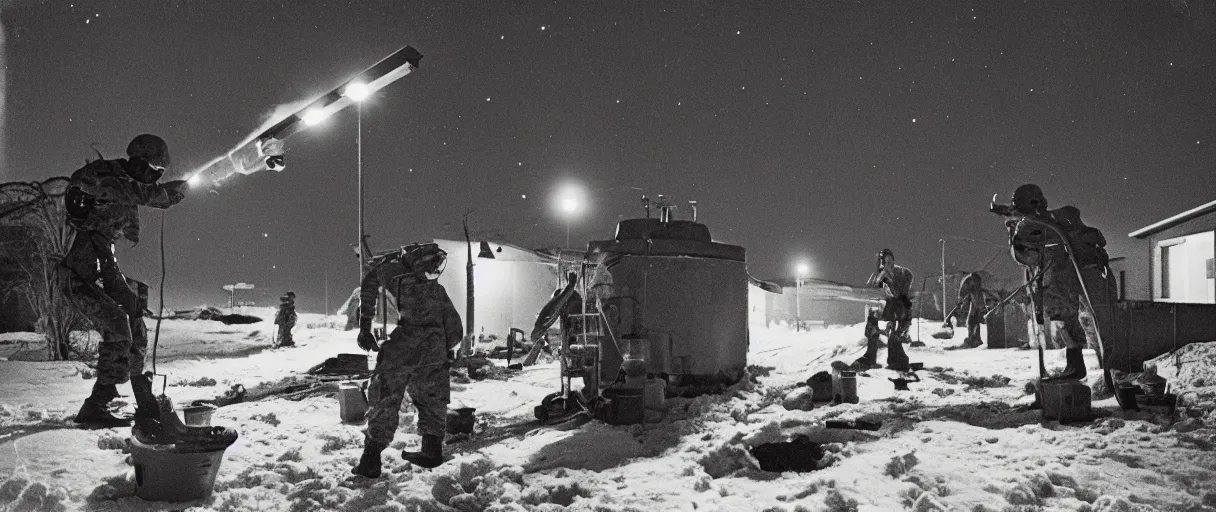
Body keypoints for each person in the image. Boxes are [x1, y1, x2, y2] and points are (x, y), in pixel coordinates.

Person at [62, 134, 188, 427]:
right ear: (141, 162)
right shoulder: (100, 175)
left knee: (134, 321)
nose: (155, 178)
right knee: (117, 326)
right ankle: (96, 405)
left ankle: (144, 400)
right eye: (155, 172)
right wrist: (162, 196)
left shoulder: (130, 196)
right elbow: (120, 190)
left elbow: (131, 235)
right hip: (76, 273)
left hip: (103, 268)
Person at [352, 243, 464, 477]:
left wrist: (364, 326)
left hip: (404, 346)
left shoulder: (394, 275)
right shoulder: (438, 290)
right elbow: (455, 330)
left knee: (386, 399)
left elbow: (369, 285)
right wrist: (442, 350)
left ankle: (371, 458)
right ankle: (431, 450)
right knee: (432, 400)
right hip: (433, 347)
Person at [1001, 184, 1115, 381]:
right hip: (1078, 282)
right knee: (1078, 322)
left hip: (1077, 282)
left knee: (1085, 323)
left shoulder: (1044, 224)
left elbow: (1024, 256)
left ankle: (1107, 373)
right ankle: (1091, 369)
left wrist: (1014, 228)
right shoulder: (1049, 223)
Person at [865, 248, 914, 370]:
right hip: (884, 308)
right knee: (872, 323)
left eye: (889, 261)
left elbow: (902, 295)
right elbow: (869, 292)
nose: (888, 264)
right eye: (885, 262)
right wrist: (880, 282)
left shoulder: (903, 273)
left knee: (894, 330)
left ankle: (898, 360)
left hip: (898, 308)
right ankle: (870, 358)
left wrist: (891, 284)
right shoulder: (877, 275)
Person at [943, 272, 988, 349]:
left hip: (976, 292)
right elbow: (964, 295)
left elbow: (965, 296)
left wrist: (961, 302)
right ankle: (974, 339)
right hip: (974, 292)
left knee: (972, 319)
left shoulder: (971, 281)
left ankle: (974, 339)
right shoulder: (969, 282)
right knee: (972, 319)